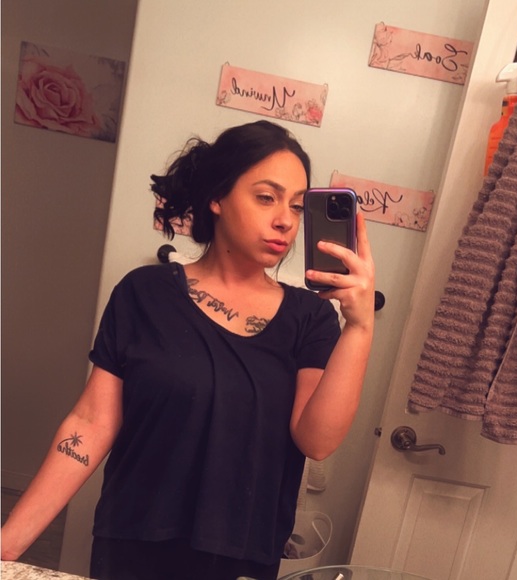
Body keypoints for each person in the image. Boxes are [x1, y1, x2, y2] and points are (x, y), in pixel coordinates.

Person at [1, 120, 375, 580]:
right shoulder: (143, 293)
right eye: (266, 197)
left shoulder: (309, 318)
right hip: (132, 545)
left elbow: (317, 441)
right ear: (217, 198)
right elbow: (91, 422)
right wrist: (7, 544)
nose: (285, 220)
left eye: (296, 206)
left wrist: (359, 326)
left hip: (240, 558)